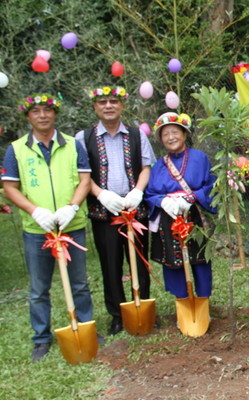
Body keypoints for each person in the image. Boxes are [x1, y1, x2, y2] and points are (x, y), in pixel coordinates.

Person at [2, 92, 95, 361]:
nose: (42, 116)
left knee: (79, 283)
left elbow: (85, 180)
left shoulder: (72, 144)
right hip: (37, 230)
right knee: (38, 288)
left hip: (71, 226)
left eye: (47, 110)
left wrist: (72, 207)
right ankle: (41, 339)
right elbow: (9, 187)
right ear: (28, 116)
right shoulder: (17, 149)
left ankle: (86, 328)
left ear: (55, 113)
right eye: (36, 112)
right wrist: (35, 211)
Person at [75, 85, 156, 335]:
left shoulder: (135, 134)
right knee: (110, 264)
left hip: (134, 208)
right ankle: (118, 315)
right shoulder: (83, 138)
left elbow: (146, 166)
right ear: (95, 107)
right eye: (102, 102)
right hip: (104, 210)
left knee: (140, 262)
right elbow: (82, 175)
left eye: (113, 101)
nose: (108, 106)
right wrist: (101, 194)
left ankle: (143, 308)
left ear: (121, 105)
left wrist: (138, 191)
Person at [144, 112, 216, 302]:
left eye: (175, 132)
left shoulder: (199, 158)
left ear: (184, 134)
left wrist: (191, 197)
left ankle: (203, 301)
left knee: (200, 260)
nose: (171, 137)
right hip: (169, 220)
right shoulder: (158, 166)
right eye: (165, 134)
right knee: (173, 262)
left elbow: (210, 185)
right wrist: (163, 202)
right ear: (160, 139)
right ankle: (182, 301)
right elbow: (150, 194)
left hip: (194, 215)